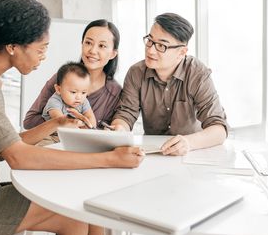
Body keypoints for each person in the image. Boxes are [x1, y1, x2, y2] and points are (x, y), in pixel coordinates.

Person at [0, 0, 144, 235]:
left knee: (79, 209)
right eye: (41, 48)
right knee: (74, 216)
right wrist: (109, 159)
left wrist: (56, 123)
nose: (44, 56)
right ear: (13, 46)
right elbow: (17, 156)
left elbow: (4, 147)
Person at [111, 13, 228, 157]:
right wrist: (119, 128)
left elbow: (219, 129)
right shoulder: (136, 72)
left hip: (192, 153)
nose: (150, 50)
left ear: (181, 52)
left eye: (161, 45)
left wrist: (188, 143)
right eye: (150, 40)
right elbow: (126, 113)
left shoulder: (197, 73)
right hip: (153, 153)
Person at [23, 19, 121, 130]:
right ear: (82, 44)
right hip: (52, 145)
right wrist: (62, 121)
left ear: (113, 53)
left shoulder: (114, 92)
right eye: (88, 43)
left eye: (102, 46)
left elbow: (107, 132)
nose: (93, 50)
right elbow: (29, 122)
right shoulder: (62, 78)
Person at [42, 62, 97, 129]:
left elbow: (92, 121)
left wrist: (85, 121)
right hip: (52, 135)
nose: (79, 97)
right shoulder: (54, 102)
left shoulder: (83, 101)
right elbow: (61, 122)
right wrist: (80, 119)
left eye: (83, 92)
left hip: (72, 135)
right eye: (73, 92)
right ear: (59, 89)